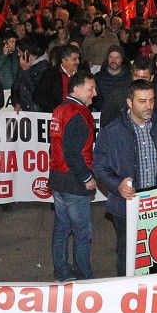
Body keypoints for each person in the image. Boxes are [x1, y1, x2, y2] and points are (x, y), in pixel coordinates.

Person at [93, 80, 157, 276]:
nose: (149, 106)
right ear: (129, 102)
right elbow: (99, 165)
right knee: (128, 257)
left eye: (151, 100)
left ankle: (154, 298)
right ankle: (128, 299)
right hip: (126, 207)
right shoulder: (112, 132)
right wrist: (117, 185)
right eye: (142, 101)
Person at [48, 70, 99, 281]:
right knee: (82, 232)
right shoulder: (80, 114)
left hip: (58, 178)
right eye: (90, 89)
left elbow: (58, 147)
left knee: (61, 228)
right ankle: (84, 277)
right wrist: (87, 178)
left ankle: (61, 271)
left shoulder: (60, 110)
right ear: (77, 89)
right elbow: (73, 153)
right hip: (73, 181)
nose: (94, 94)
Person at [34, 46, 82, 113]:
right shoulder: (50, 74)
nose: (78, 62)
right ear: (64, 61)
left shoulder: (82, 75)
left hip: (77, 115)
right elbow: (38, 96)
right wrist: (55, 107)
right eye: (74, 59)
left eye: (78, 58)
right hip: (56, 116)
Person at [93, 46, 131, 125]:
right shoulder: (98, 77)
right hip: (103, 116)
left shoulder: (129, 77)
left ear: (122, 59)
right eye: (111, 57)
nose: (114, 60)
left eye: (117, 57)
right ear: (107, 58)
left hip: (124, 117)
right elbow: (95, 100)